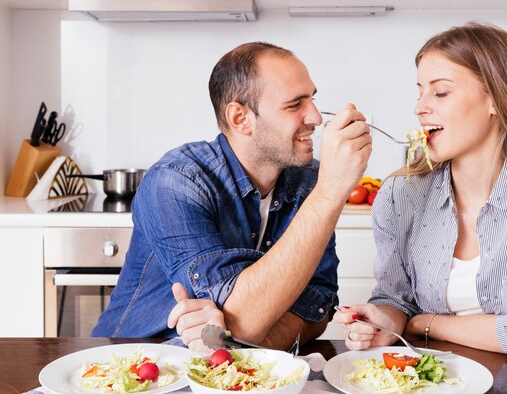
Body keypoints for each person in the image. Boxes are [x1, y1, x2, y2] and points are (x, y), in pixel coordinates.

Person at [333, 22, 507, 358]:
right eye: (419, 91)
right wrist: (383, 322)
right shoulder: (399, 194)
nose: (419, 108)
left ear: (495, 100)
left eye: (441, 92)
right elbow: (395, 299)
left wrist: (425, 323)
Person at [92, 42, 372, 353]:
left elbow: (318, 306)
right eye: (295, 105)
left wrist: (248, 341)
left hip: (232, 374)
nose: (317, 118)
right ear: (240, 118)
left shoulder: (308, 181)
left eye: (312, 99)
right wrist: (330, 192)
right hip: (134, 366)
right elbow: (246, 321)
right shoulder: (175, 181)